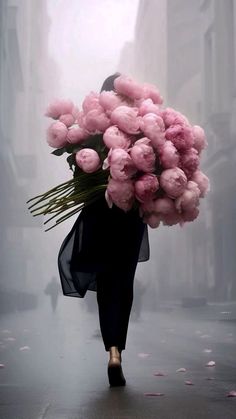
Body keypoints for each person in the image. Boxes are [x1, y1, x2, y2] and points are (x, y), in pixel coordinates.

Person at [58, 73, 150, 387]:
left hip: (100, 216)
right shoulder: (141, 132)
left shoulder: (92, 132)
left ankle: (111, 350)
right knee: (122, 284)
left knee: (108, 283)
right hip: (128, 218)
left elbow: (79, 176)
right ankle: (117, 354)